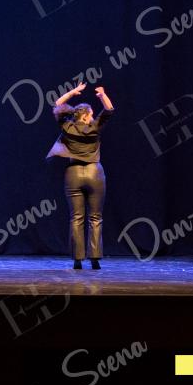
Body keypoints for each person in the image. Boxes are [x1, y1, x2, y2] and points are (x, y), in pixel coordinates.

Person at [46, 82, 114, 269]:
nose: (92, 116)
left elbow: (57, 105)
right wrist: (102, 95)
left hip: (73, 174)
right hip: (95, 173)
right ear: (85, 115)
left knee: (76, 217)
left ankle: (77, 259)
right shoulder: (95, 127)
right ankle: (95, 259)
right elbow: (109, 110)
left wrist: (73, 92)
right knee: (96, 217)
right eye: (91, 114)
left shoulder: (68, 127)